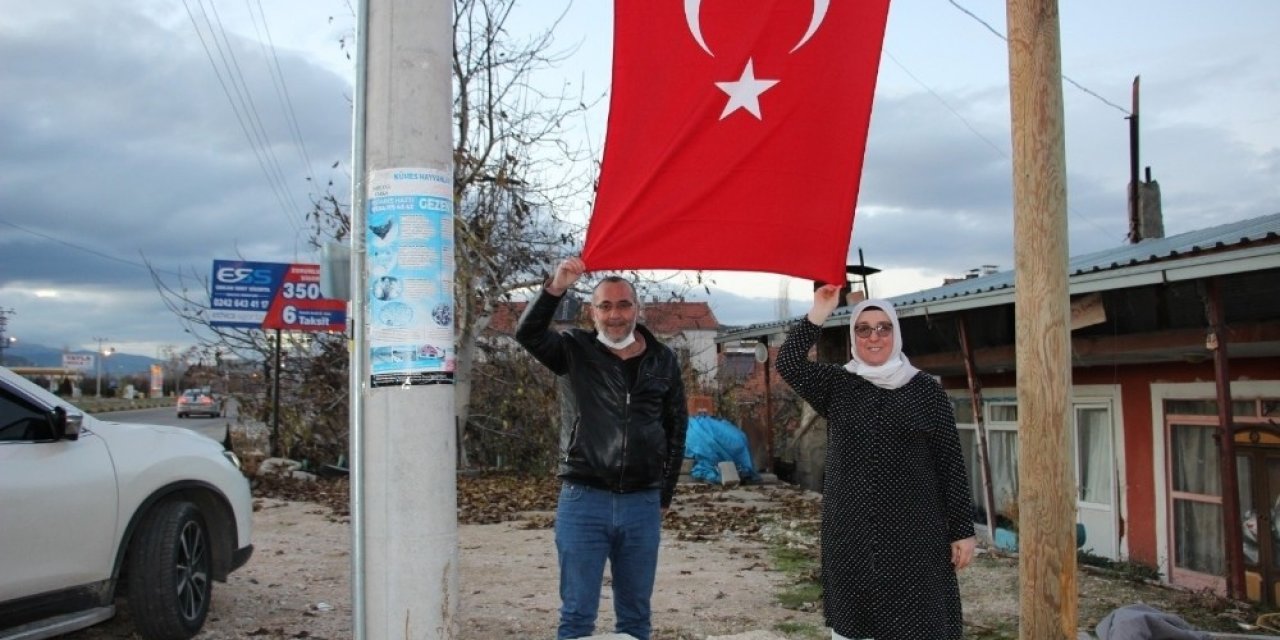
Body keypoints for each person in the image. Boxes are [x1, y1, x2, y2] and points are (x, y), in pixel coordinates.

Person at [775, 285, 977, 640]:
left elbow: (950, 461)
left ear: (896, 333)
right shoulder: (838, 385)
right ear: (853, 335)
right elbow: (788, 362)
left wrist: (962, 530)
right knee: (858, 629)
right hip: (853, 534)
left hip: (916, 536)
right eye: (863, 328)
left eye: (884, 327)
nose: (874, 336)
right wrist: (820, 311)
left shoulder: (926, 391)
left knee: (919, 628)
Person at [515, 256, 688, 640]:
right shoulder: (574, 350)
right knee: (576, 615)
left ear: (637, 309)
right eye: (605, 305)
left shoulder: (663, 359)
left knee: (635, 616)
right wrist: (556, 285)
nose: (615, 314)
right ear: (592, 312)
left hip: (642, 502)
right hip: (583, 499)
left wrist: (665, 491)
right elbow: (527, 334)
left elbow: (676, 427)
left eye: (623, 304)